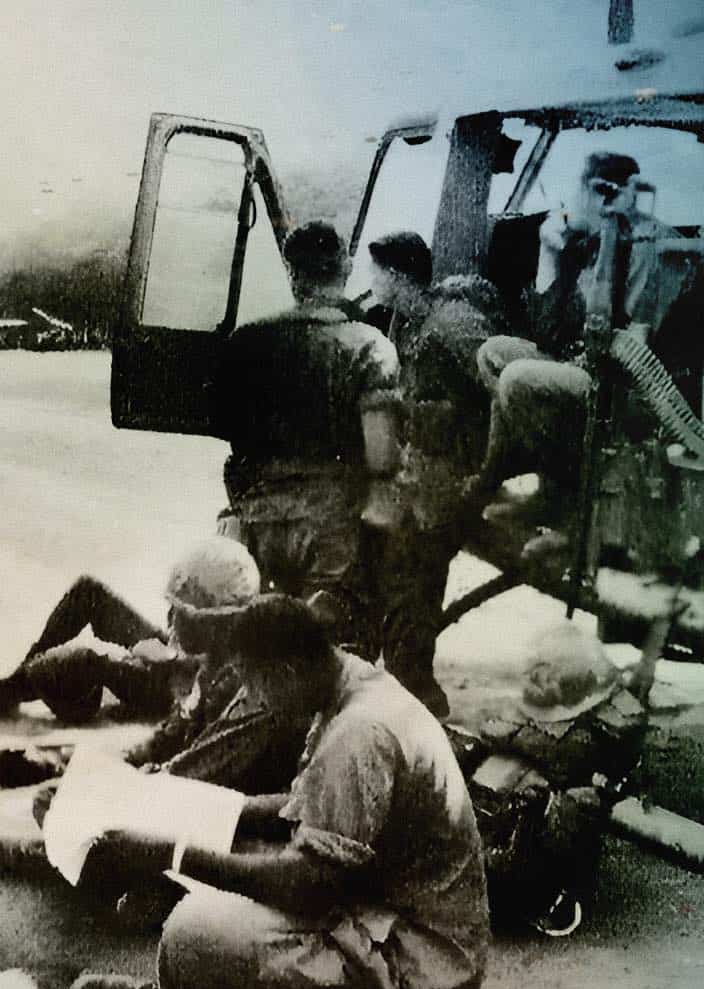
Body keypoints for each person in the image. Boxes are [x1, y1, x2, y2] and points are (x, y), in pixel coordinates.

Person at [78, 595, 489, 989]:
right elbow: (308, 807)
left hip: (421, 972)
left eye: (254, 683)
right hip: (395, 918)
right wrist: (211, 807)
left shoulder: (358, 733)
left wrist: (172, 852)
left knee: (194, 930)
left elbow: (306, 887)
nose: (255, 696)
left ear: (287, 672)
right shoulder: (348, 683)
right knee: (235, 859)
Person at [468, 151, 690, 533]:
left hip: (636, 391)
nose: (569, 207)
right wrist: (548, 254)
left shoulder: (648, 246)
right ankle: (543, 485)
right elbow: (547, 332)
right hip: (589, 366)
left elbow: (632, 344)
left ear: (603, 194)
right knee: (494, 353)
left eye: (577, 195)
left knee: (518, 378)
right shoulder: (590, 240)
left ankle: (571, 503)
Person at [214, 219, 399, 666]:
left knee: (253, 652)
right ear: (346, 268)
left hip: (257, 521)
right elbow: (380, 451)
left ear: (292, 273)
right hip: (332, 527)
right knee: (332, 656)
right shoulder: (371, 347)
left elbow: (232, 437)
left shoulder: (246, 343)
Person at [365, 233, 506, 718]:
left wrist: (483, 468)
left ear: (399, 277)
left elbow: (502, 391)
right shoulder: (410, 318)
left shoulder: (453, 324)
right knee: (403, 578)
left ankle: (416, 695)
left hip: (446, 476)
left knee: (414, 582)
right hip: (421, 472)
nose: (372, 283)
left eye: (377, 273)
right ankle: (408, 687)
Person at [0, 536, 262, 725]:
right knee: (89, 592)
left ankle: (15, 688)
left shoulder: (235, 673)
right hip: (179, 658)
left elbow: (193, 705)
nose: (172, 618)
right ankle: (13, 686)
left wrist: (157, 661)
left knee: (67, 666)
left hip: (170, 686)